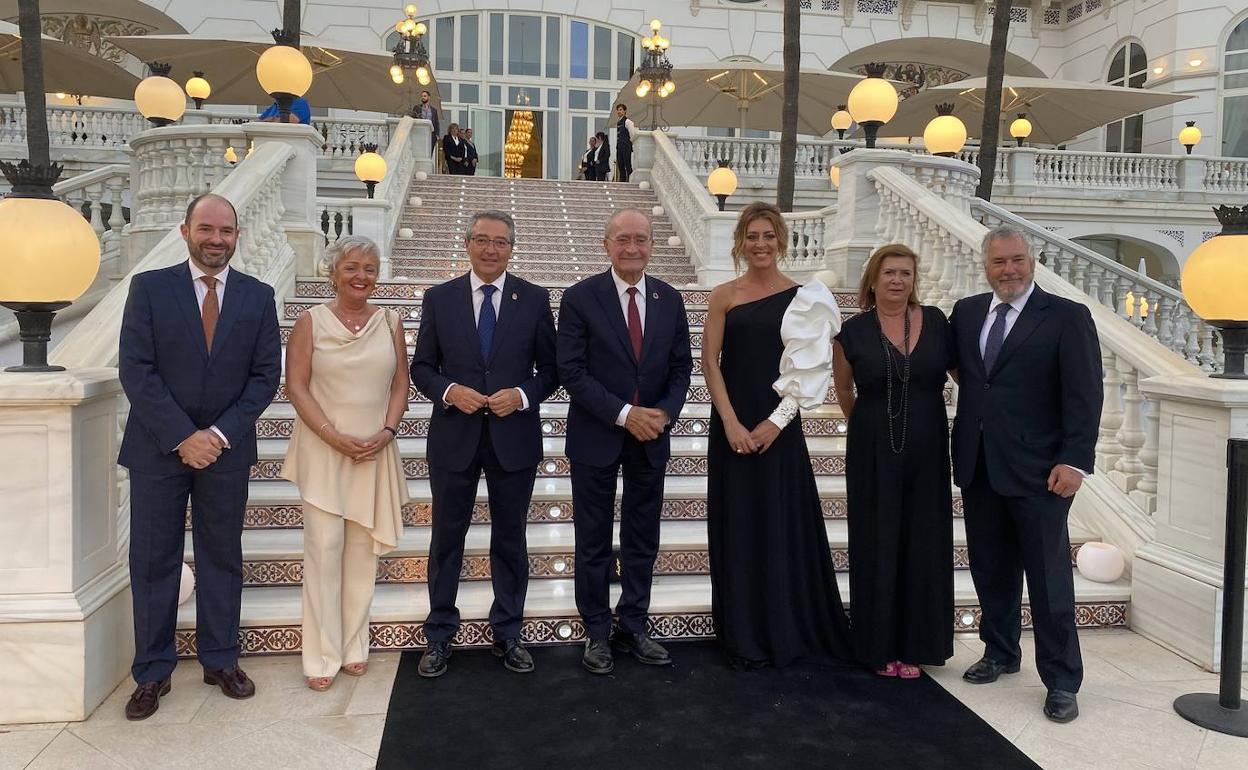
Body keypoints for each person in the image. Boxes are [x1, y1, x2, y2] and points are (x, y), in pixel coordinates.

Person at [117, 193, 281, 720]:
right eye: (207, 229)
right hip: (158, 451)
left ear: (237, 236)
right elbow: (136, 370)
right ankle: (153, 671)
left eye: (226, 231)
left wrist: (217, 434)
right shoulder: (150, 288)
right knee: (152, 562)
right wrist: (183, 436)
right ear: (186, 230)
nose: (217, 240)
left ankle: (220, 659)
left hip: (226, 453)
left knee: (222, 558)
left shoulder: (258, 296)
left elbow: (264, 378)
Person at [949, 225, 1103, 724]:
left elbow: (1085, 395)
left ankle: (1062, 680)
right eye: (999, 263)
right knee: (991, 569)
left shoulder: (1065, 317)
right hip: (980, 466)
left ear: (1031, 261)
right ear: (985, 265)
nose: (1009, 270)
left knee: (1048, 578)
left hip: (1042, 473)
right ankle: (1000, 652)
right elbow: (970, 377)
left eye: (1017, 260)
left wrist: (1074, 460)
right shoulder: (968, 312)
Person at [702, 202, 852, 668]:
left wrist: (774, 423)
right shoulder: (723, 294)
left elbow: (812, 371)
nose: (760, 244)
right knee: (738, 524)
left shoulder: (805, 297)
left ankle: (785, 628)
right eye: (752, 236)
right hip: (730, 423)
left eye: (768, 235)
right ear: (740, 243)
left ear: (781, 241)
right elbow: (710, 363)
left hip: (779, 428)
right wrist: (730, 422)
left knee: (779, 525)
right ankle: (743, 633)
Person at [410, 211, 558, 677]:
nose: (490, 249)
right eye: (481, 240)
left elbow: (552, 371)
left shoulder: (534, 300)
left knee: (510, 538)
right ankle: (439, 635)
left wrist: (521, 395)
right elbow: (421, 368)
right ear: (467, 243)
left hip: (513, 439)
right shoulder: (440, 298)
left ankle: (508, 632)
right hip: (455, 436)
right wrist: (451, 392)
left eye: (500, 242)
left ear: (513, 248)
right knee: (446, 538)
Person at [557, 208, 692, 674]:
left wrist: (664, 415)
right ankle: (596, 630)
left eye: (641, 239)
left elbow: (681, 369)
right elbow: (571, 372)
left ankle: (634, 623)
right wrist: (624, 414)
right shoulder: (579, 298)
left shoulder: (670, 299)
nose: (632, 247)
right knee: (592, 539)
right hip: (597, 436)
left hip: (651, 437)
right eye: (623, 239)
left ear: (652, 245)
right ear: (606, 245)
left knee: (642, 537)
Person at [281, 236, 410, 692]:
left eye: (370, 269)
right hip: (323, 450)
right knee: (324, 550)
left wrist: (388, 432)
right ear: (332, 271)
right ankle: (320, 654)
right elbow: (296, 387)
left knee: (361, 554)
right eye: (352, 267)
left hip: (374, 450)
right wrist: (332, 436)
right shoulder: (309, 321)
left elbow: (400, 385)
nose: (361, 277)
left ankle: (355, 646)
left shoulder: (391, 321)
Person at [832, 244, 955, 679]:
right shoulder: (852, 331)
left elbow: (966, 377)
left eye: (905, 272)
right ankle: (878, 645)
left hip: (929, 448)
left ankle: (916, 644)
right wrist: (868, 427)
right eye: (889, 273)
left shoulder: (938, 323)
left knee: (923, 540)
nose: (897, 280)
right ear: (873, 278)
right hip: (871, 449)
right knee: (877, 540)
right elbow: (844, 390)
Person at [612, 104, 637, 182]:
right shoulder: (619, 122)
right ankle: (622, 182)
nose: (619, 111)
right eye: (618, 110)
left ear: (625, 111)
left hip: (626, 147)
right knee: (620, 165)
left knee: (627, 164)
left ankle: (630, 181)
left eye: (621, 110)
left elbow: (632, 134)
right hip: (619, 147)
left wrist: (630, 144)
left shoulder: (627, 121)